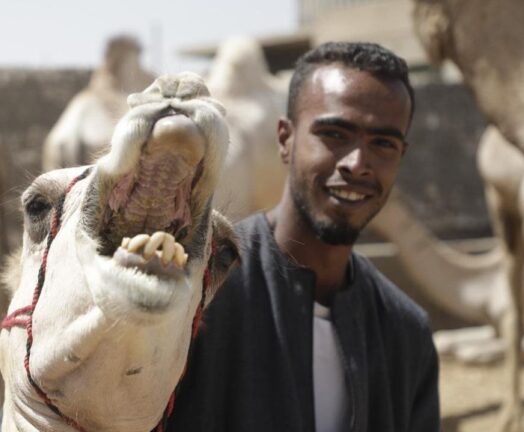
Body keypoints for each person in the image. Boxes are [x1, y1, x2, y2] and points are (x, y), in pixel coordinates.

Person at [167, 42, 440, 431]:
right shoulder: (199, 291)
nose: (357, 164)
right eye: (334, 134)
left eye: (382, 143)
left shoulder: (404, 335)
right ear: (285, 139)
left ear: (401, 155)